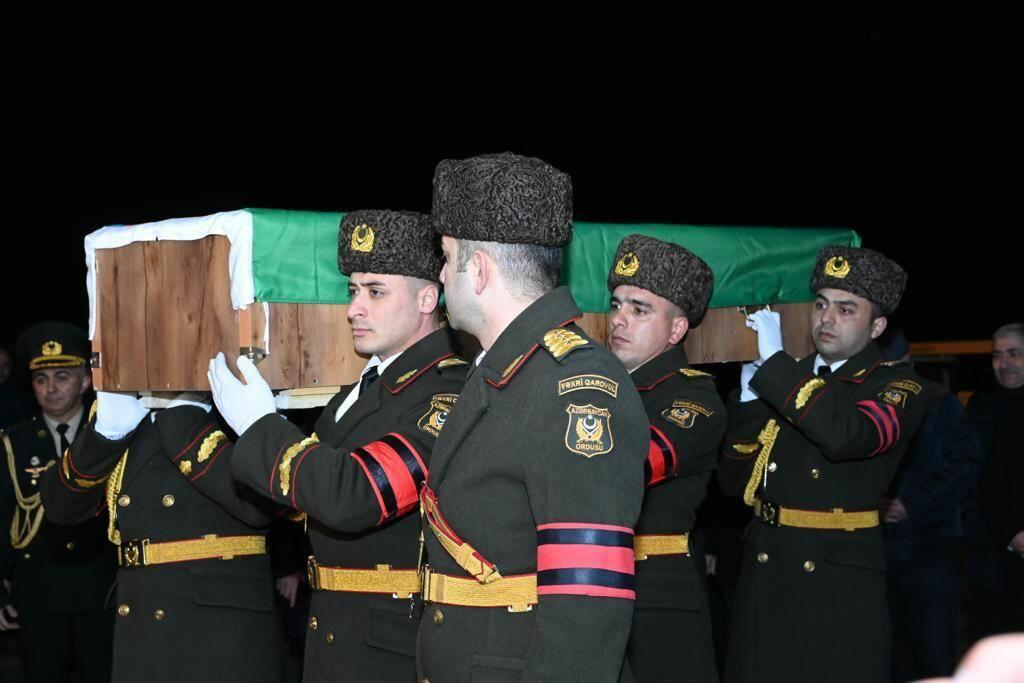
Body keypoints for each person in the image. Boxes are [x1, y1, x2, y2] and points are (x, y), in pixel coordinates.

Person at [415, 152, 648, 682]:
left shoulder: (576, 387)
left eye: (446, 258)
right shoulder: (507, 371)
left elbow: (587, 610)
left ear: (479, 271)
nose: (442, 274)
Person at [210, 209, 468, 681]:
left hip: (392, 650)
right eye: (353, 291)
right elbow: (297, 500)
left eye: (375, 292)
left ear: (428, 297)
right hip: (335, 636)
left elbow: (355, 496)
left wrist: (260, 426)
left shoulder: (447, 392)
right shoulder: (362, 390)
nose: (354, 309)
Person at [718, 246, 942, 683]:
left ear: (876, 326)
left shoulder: (899, 386)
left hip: (834, 585)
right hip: (766, 571)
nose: (827, 318)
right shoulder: (786, 378)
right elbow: (733, 483)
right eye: (821, 304)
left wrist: (777, 368)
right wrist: (747, 397)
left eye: (846, 309)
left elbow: (847, 436)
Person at [41, 386, 282, 683]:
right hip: (140, 618)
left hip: (218, 627)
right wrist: (105, 435)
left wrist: (186, 421)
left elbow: (261, 506)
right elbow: (60, 507)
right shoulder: (131, 409)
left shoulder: (239, 397)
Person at [606, 234, 724, 682]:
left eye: (639, 310)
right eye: (616, 304)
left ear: (676, 331)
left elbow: (629, 465)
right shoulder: (601, 388)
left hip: (656, 603)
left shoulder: (693, 398)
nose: (619, 319)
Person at [0, 321, 115, 683]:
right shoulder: (14, 444)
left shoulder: (108, 435)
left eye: (62, 377)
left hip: (101, 588)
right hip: (39, 591)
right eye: (41, 379)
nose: (51, 388)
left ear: (85, 381)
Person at [879, 331, 983, 681]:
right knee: (888, 656)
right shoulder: (866, 400)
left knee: (932, 653)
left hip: (930, 550)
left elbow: (965, 465)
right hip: (879, 553)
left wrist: (912, 505)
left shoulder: (939, 402)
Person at [977, 323, 1024, 631]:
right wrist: (1012, 534)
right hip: (997, 557)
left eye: (1014, 353)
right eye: (997, 355)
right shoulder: (982, 409)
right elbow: (983, 480)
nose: (1004, 364)